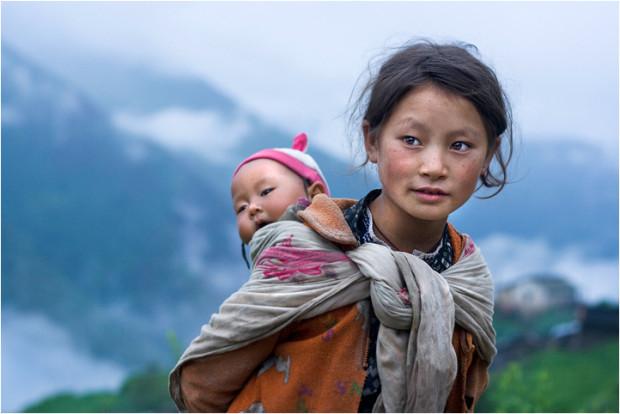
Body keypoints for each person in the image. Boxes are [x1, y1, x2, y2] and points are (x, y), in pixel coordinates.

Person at [169, 40, 513, 413]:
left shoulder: (465, 278)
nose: (434, 166)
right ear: (372, 141)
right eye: (411, 140)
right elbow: (201, 387)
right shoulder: (307, 251)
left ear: (488, 155)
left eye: (460, 145)